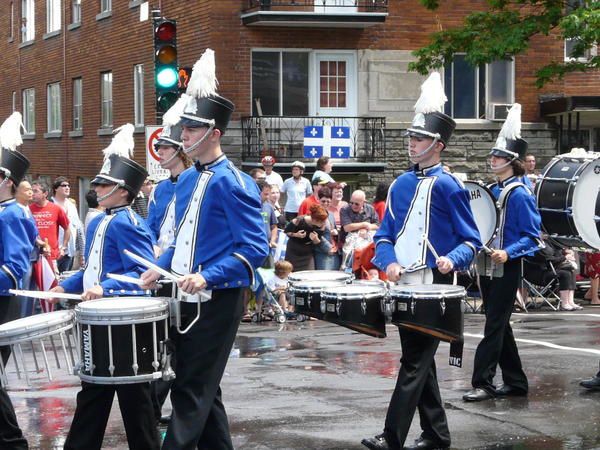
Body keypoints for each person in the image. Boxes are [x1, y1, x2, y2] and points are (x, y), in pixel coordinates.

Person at [139, 49, 268, 450]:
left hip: (218, 299)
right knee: (204, 391)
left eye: (191, 131)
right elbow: (182, 240)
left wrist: (207, 274)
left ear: (214, 133)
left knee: (191, 389)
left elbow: (255, 248)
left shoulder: (234, 182)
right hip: (188, 297)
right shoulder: (192, 180)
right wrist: (159, 266)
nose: (183, 138)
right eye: (184, 130)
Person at [363, 73, 481, 450]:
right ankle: (436, 434)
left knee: (414, 361)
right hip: (404, 283)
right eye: (411, 138)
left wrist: (451, 259)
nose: (411, 145)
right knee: (420, 360)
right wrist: (389, 262)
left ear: (438, 145)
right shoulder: (399, 184)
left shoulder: (450, 185)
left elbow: (471, 239)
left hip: (436, 286)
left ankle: (391, 436)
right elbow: (384, 236)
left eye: (419, 139)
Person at [49, 124, 160, 450]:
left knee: (134, 398)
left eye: (104, 184)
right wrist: (66, 284)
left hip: (124, 323)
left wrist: (105, 288)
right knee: (94, 391)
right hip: (99, 320)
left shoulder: (130, 223)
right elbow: (92, 269)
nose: (96, 188)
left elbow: (143, 274)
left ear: (124, 190)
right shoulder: (102, 219)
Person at [463, 103, 542, 403]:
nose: (491, 159)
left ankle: (483, 382)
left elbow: (533, 236)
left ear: (510, 161)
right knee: (500, 324)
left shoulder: (519, 193)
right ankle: (516, 381)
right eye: (493, 155)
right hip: (487, 264)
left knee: (493, 323)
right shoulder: (491, 189)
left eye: (497, 156)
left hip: (508, 267)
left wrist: (509, 253)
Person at [0, 111, 38, 450]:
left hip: (3, 303)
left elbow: (13, 267)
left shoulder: (12, 213)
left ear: (8, 181)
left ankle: (12, 441)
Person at [147, 96, 193, 258]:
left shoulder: (196, 183)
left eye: (165, 147)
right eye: (158, 147)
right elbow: (151, 226)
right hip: (160, 261)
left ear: (180, 151)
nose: (159, 152)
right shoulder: (159, 189)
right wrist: (153, 244)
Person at [30, 179, 70, 273]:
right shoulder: (28, 210)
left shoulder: (56, 209)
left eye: (36, 191)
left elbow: (67, 228)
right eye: (31, 191)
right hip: (32, 256)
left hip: (51, 256)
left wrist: (63, 247)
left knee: (51, 285)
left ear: (45, 193)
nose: (32, 194)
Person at [52, 176, 85, 272]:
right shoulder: (50, 204)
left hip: (69, 252)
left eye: (68, 185)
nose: (67, 188)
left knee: (65, 281)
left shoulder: (71, 206)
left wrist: (82, 254)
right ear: (55, 188)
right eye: (64, 185)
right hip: (53, 252)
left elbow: (79, 230)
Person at [284, 204, 329, 272]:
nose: (323, 223)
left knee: (309, 274)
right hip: (293, 252)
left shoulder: (322, 226)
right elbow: (286, 232)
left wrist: (315, 239)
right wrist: (296, 234)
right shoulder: (298, 220)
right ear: (314, 220)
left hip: (307, 253)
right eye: (321, 222)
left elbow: (318, 242)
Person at [314, 187, 341, 270]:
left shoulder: (331, 214)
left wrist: (337, 232)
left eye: (328, 201)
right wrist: (328, 248)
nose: (326, 203)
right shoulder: (314, 215)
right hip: (322, 253)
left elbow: (335, 232)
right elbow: (315, 234)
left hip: (335, 251)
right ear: (318, 199)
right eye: (323, 201)